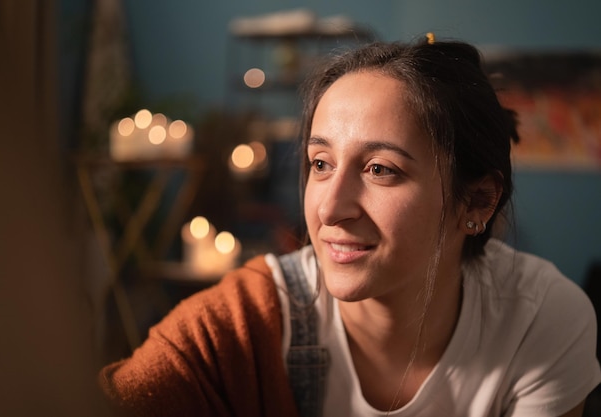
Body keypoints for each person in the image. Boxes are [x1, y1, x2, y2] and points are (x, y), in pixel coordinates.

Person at [99, 35, 601, 417]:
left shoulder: (538, 323)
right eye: (320, 164)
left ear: (478, 201)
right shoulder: (242, 323)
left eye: (380, 169)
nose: (329, 208)